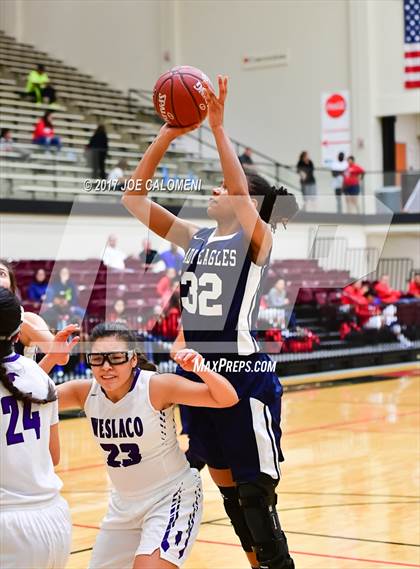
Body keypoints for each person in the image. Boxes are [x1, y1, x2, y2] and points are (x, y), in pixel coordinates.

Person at [122, 75, 297, 569]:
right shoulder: (196, 238)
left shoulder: (255, 241)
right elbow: (133, 200)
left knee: (257, 499)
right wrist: (169, 132)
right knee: (228, 495)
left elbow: (241, 194)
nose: (216, 189)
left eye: (224, 186)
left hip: (243, 375)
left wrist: (218, 129)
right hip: (199, 376)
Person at [53, 321, 238, 569]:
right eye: (97, 359)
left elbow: (227, 398)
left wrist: (200, 368)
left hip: (171, 498)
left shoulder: (156, 386)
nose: (106, 367)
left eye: (116, 358)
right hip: (123, 506)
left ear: (132, 359)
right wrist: (50, 359)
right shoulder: (83, 391)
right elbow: (25, 400)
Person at [0, 287, 72, 569]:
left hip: (8, 525)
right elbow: (53, 456)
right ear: (19, 334)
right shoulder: (40, 377)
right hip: (54, 521)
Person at [0, 260, 78, 372]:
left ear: (12, 287)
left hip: (21, 388)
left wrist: (20, 320)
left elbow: (62, 358)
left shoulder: (28, 319)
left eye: (1, 273)